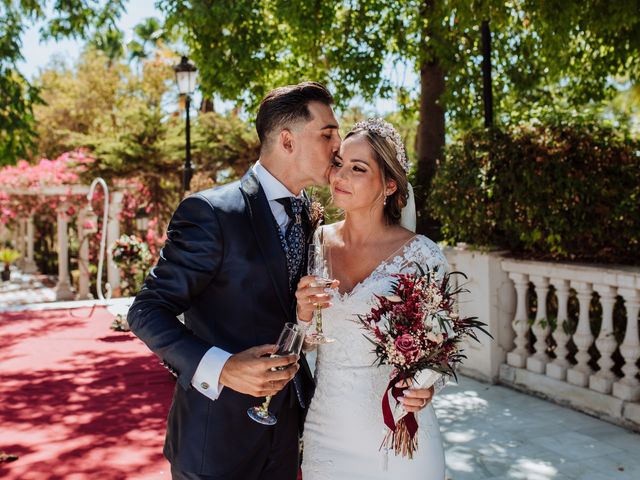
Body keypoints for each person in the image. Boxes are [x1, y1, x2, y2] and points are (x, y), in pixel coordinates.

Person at [127, 82, 342, 480]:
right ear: (288, 140)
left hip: (286, 436)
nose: (338, 147)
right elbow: (145, 311)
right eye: (328, 134)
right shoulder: (210, 213)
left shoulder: (308, 215)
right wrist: (223, 367)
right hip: (216, 441)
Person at [296, 118, 448, 479]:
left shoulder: (422, 256)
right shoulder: (313, 244)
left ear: (389, 184)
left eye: (358, 168)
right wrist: (302, 313)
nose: (340, 176)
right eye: (339, 164)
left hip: (397, 429)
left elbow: (440, 348)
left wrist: (425, 388)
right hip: (326, 431)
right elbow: (303, 344)